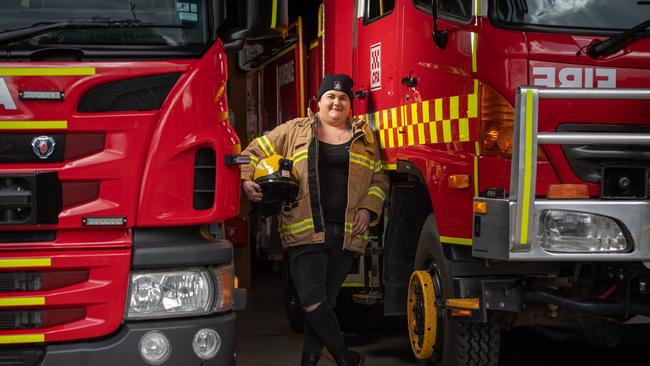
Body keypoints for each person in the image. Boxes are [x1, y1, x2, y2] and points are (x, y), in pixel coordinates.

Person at [240, 74, 389, 366]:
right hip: (305, 232)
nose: (337, 102)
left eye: (343, 97)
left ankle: (309, 361)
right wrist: (246, 180)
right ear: (318, 101)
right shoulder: (294, 131)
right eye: (330, 97)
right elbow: (251, 152)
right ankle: (346, 358)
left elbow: (380, 179)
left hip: (347, 235)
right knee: (311, 302)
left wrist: (368, 209)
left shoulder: (364, 139)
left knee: (325, 303)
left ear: (350, 104)